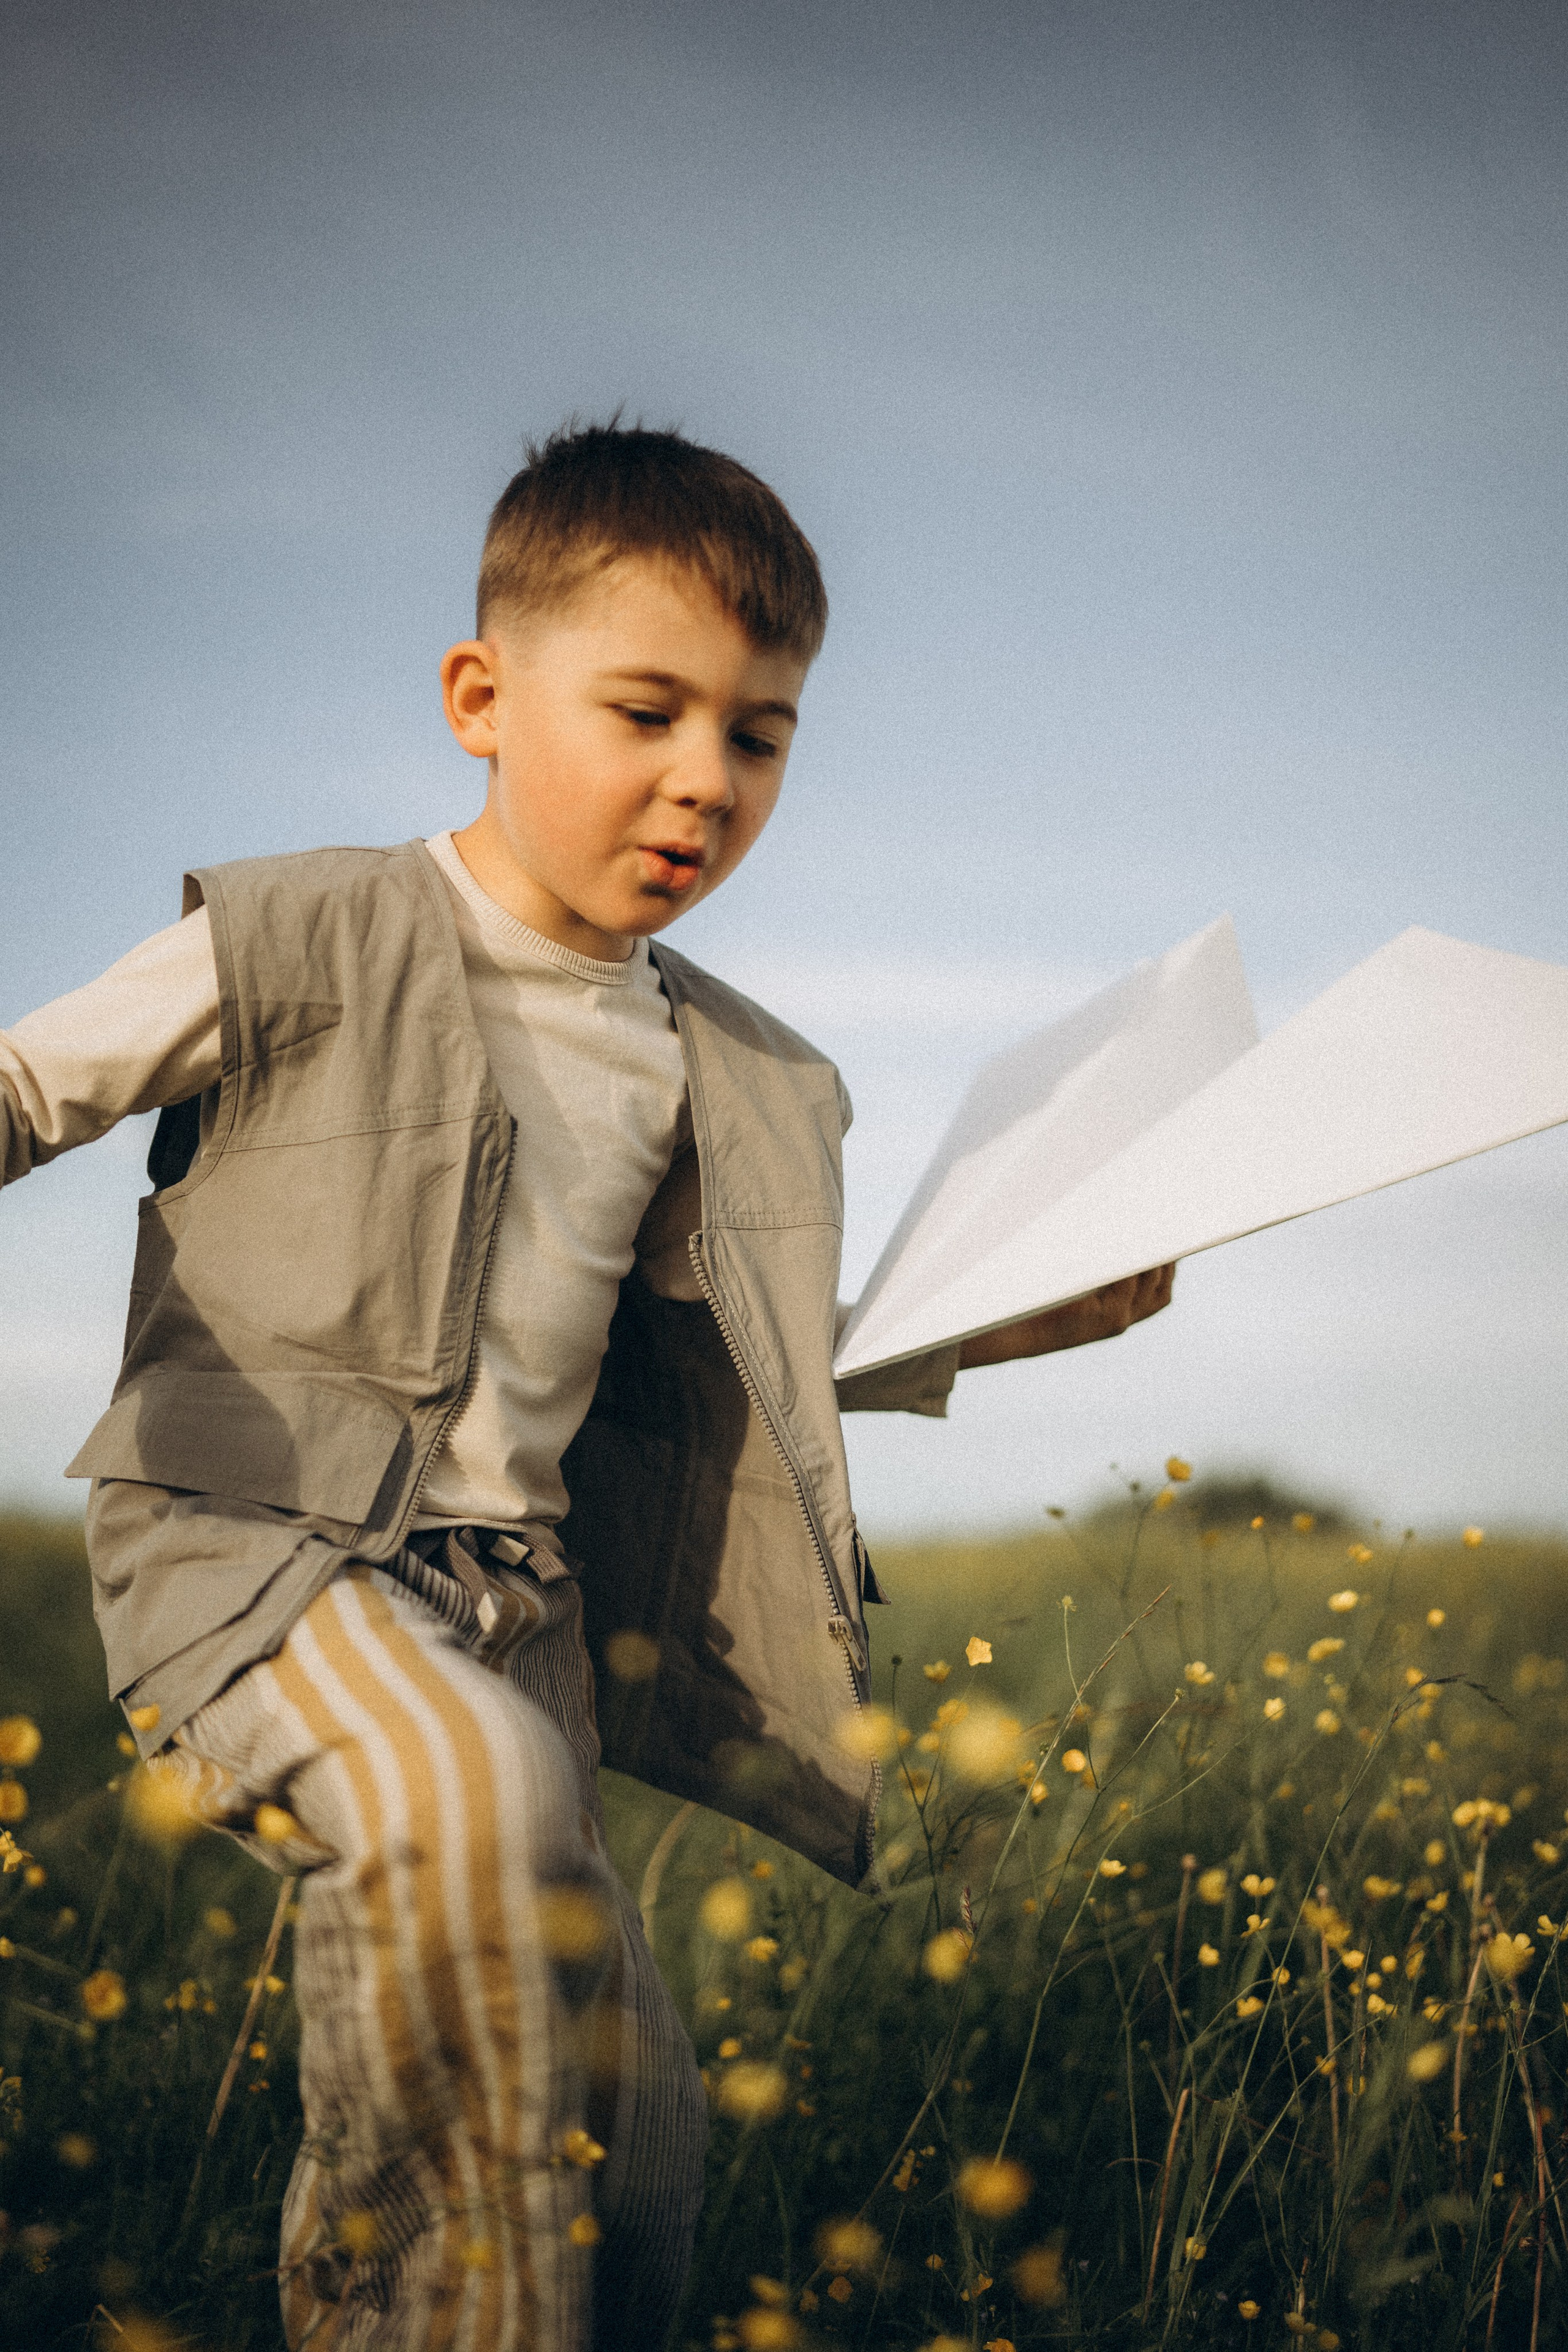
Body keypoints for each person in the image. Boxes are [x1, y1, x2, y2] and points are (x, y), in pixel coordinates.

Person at [0, 424, 1174, 2349]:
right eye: (647, 710)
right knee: (462, 1803)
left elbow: (756, 1370)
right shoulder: (301, 935)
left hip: (523, 1609)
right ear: (481, 695)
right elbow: (26, 1088)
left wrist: (1013, 1321)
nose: (703, 782)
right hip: (267, 1555)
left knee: (627, 2117)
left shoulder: (741, 1070)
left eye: (761, 735)